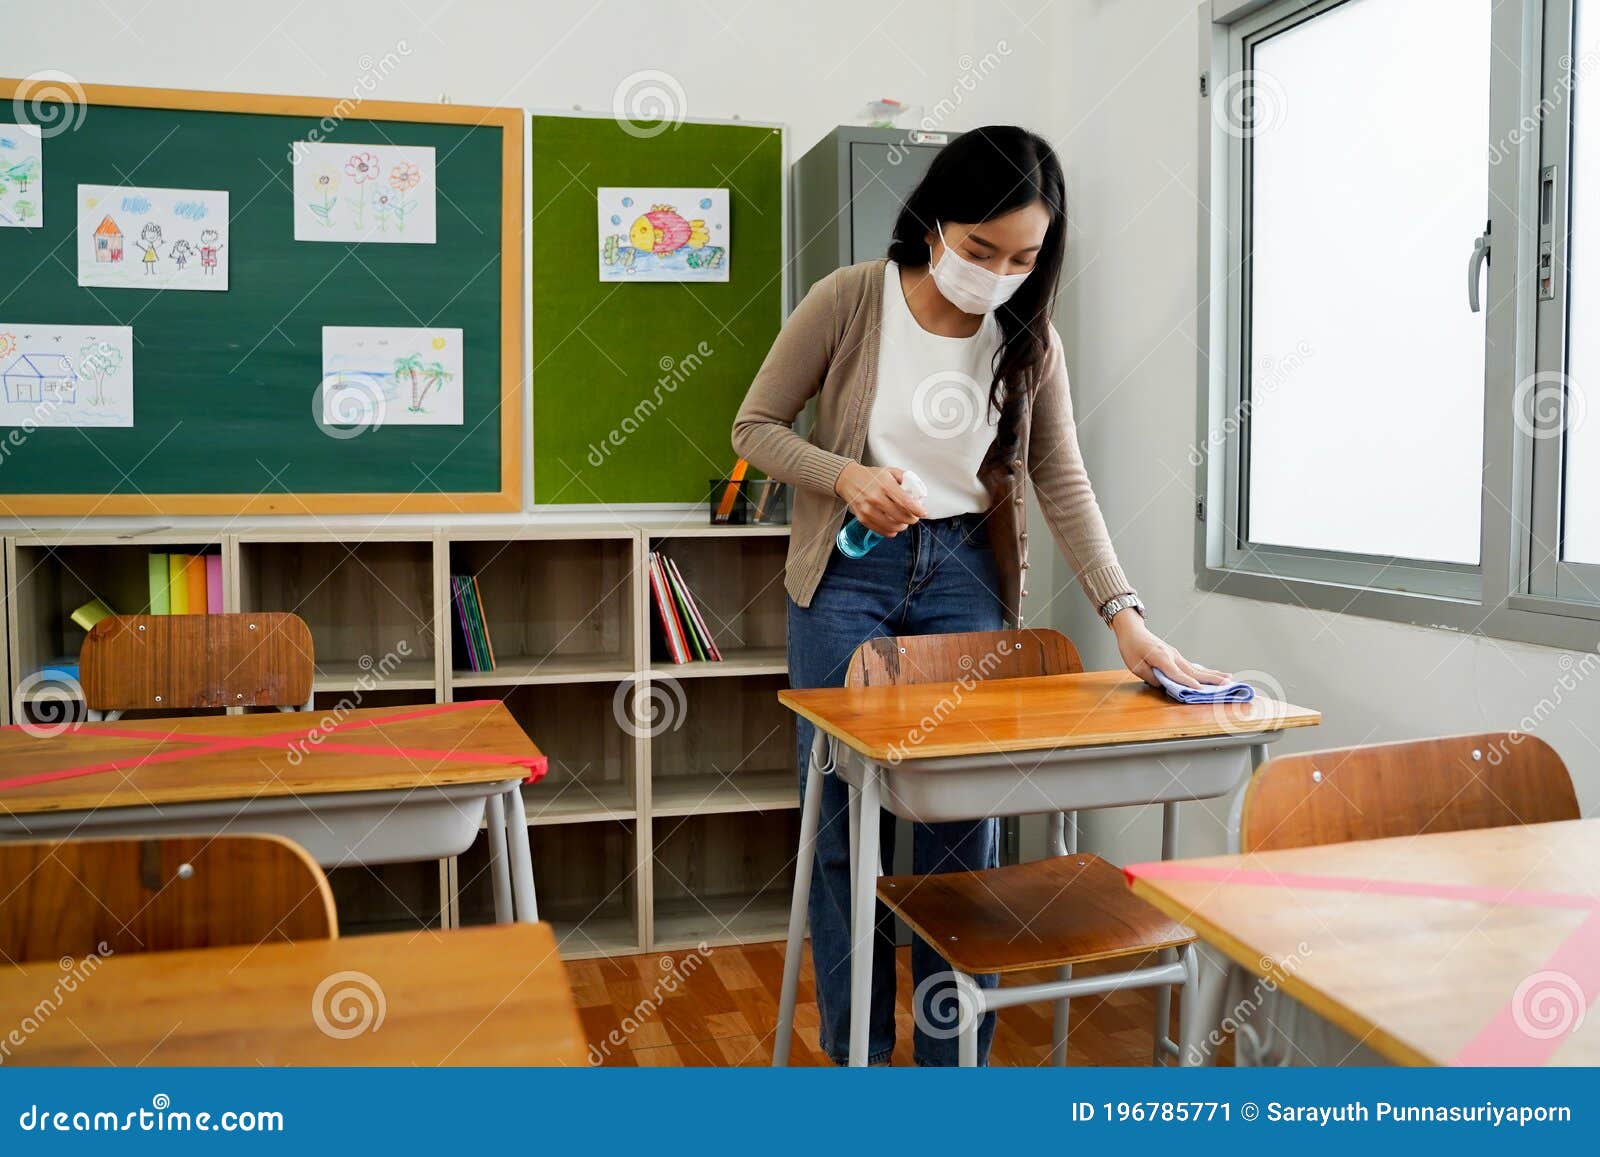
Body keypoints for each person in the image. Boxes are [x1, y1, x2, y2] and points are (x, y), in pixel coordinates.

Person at [731, 125, 1228, 1067]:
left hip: (965, 575)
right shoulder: (849, 299)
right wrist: (844, 475)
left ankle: (953, 1076)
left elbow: (1061, 480)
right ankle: (860, 1064)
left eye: (1024, 257)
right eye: (980, 249)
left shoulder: (1030, 338)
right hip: (848, 571)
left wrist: (1128, 616)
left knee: (966, 834)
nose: (999, 272)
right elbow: (754, 427)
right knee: (845, 830)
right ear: (933, 224)